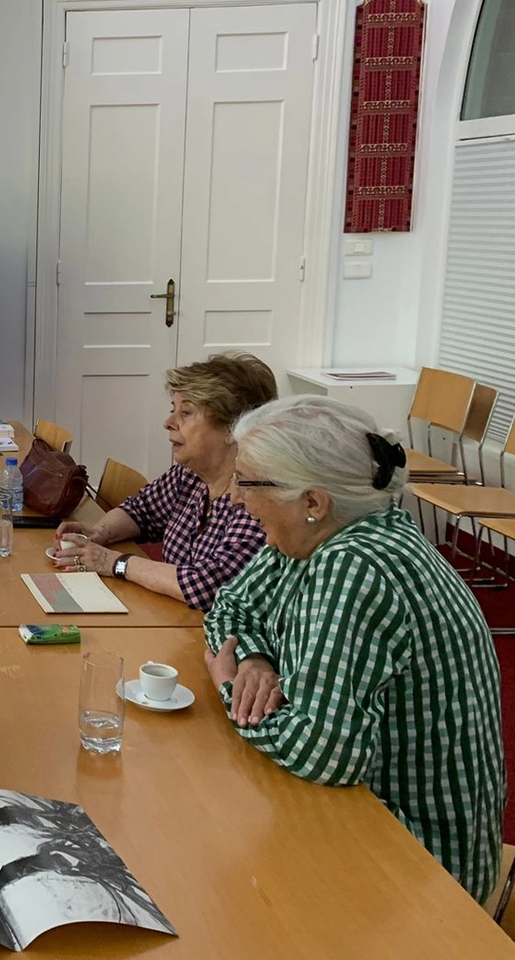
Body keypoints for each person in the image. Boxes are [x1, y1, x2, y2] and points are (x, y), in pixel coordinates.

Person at [203, 396, 504, 901]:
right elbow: (229, 608)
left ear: (313, 501)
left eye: (248, 482)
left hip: (417, 872)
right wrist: (256, 659)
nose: (235, 498)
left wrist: (229, 684)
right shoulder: (324, 533)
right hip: (370, 820)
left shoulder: (355, 564)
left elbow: (325, 755)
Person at [51, 353, 277, 610]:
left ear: (232, 429)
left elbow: (209, 586)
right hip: (170, 620)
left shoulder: (256, 497)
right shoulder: (190, 475)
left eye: (186, 413)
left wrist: (113, 562)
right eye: (173, 410)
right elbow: (139, 511)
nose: (168, 423)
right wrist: (98, 533)